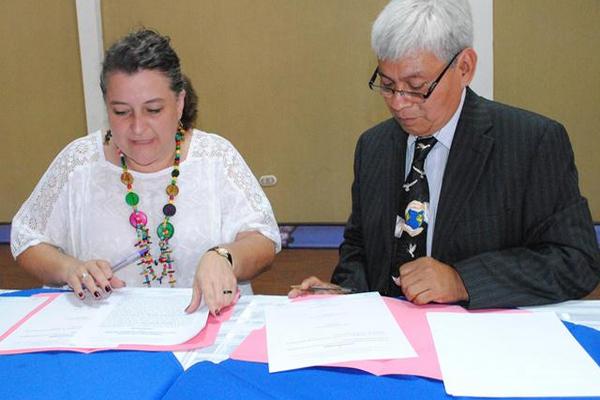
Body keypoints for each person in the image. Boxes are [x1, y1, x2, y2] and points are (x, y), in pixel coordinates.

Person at [290, 0, 600, 309]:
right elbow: (359, 250)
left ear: (464, 67)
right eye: (387, 85)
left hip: (483, 342)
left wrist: (463, 280)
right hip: (390, 343)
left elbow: (576, 260)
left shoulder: (532, 143)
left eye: (416, 87)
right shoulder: (374, 146)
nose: (398, 103)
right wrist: (343, 292)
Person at [11, 29, 281, 315]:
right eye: (121, 112)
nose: (138, 128)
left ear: (179, 104)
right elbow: (26, 238)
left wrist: (225, 257)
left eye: (153, 110)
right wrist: (69, 268)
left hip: (204, 325)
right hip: (104, 335)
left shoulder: (215, 157)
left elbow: (264, 240)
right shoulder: (79, 163)